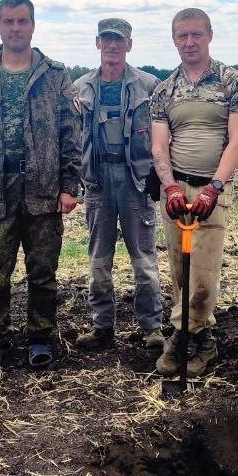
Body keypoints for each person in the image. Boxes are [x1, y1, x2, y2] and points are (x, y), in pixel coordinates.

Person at [0, 0, 82, 373]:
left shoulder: (55, 75)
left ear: (33, 25)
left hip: (43, 187)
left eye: (22, 21)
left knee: (43, 272)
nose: (15, 28)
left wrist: (69, 185)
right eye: (8, 21)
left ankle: (39, 337)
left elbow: (70, 134)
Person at [150, 8, 238, 376]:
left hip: (212, 189)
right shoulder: (163, 90)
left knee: (204, 275)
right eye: (182, 35)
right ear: (174, 40)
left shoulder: (234, 83)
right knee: (180, 271)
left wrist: (214, 187)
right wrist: (169, 186)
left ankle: (183, 339)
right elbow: (159, 145)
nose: (189, 42)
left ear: (209, 35)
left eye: (196, 34)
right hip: (175, 189)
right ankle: (199, 339)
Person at [73, 18, 163, 352]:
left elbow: (164, 133)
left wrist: (158, 176)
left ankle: (152, 327)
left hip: (135, 181)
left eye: (119, 40)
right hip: (97, 182)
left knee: (144, 260)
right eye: (107, 39)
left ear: (129, 45)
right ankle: (102, 327)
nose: (113, 45)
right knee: (99, 259)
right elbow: (70, 138)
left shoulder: (150, 86)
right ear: (97, 42)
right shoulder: (80, 88)